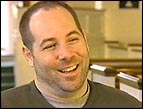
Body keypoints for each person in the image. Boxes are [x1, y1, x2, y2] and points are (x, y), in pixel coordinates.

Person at [1, 1, 142, 108]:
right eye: (50, 46)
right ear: (29, 56)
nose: (66, 54)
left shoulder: (127, 104)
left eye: (73, 39)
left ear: (85, 41)